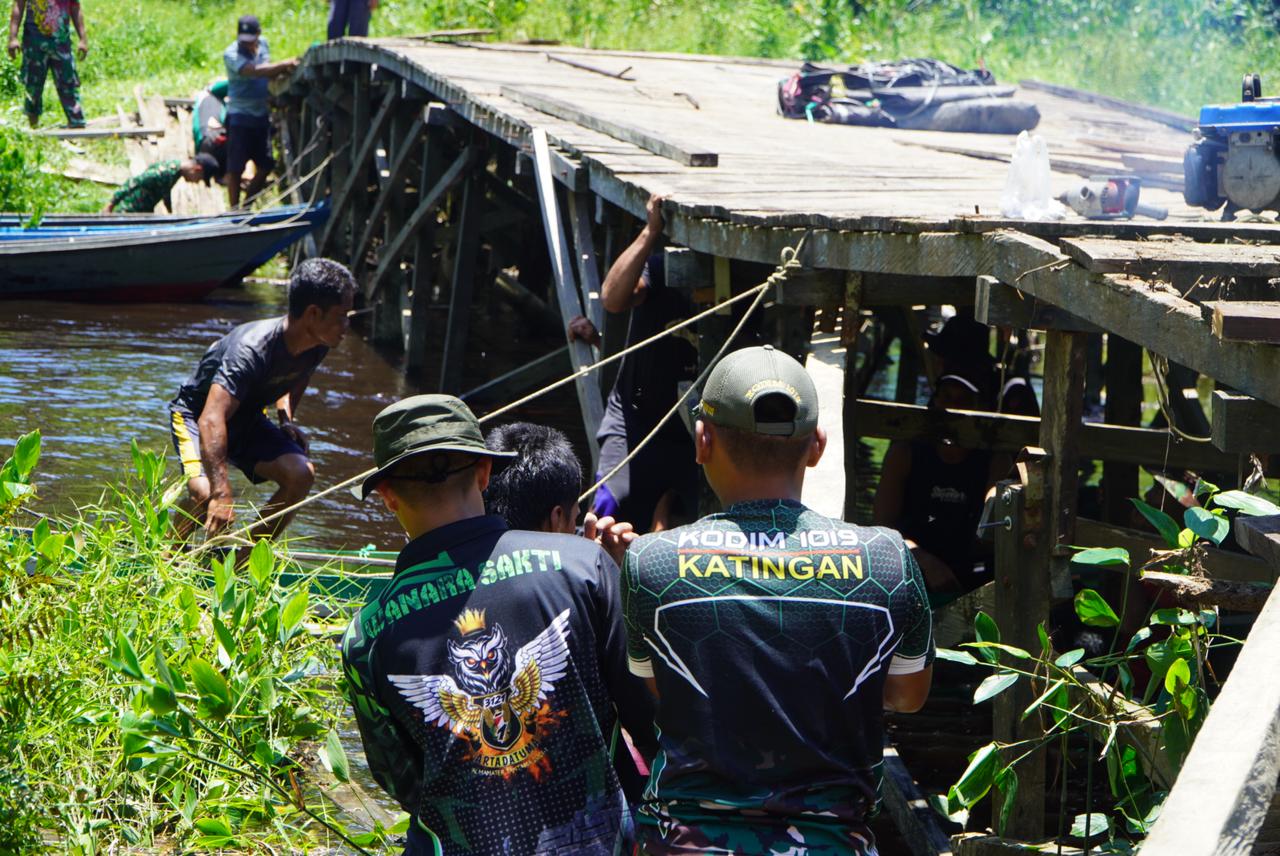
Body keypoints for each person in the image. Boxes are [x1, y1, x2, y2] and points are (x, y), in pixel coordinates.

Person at [622, 345, 934, 855]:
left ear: (702, 440)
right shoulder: (887, 559)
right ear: (817, 446)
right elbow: (907, 696)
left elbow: (664, 687)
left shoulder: (651, 561)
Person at [342, 395, 653, 855]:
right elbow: (648, 719)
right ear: (484, 474)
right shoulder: (583, 566)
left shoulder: (366, 635)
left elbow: (405, 782)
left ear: (387, 496)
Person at [168, 258, 354, 540]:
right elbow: (211, 418)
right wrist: (221, 493)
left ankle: (242, 564)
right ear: (313, 314)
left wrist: (286, 420)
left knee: (301, 474)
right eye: (341, 315)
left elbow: (298, 376)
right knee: (206, 494)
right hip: (197, 416)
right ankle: (165, 557)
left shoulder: (318, 344)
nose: (346, 325)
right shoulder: (251, 350)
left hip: (247, 417)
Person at [568, 194, 698, 533]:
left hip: (698, 432)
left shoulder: (743, 287)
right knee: (606, 509)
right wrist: (650, 232)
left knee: (703, 517)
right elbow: (612, 298)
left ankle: (663, 506)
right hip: (634, 419)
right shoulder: (663, 272)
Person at [873, 370, 1010, 595]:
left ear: (980, 409)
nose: (952, 408)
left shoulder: (995, 460)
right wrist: (924, 561)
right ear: (934, 401)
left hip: (970, 570)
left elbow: (993, 533)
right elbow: (881, 530)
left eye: (963, 400)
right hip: (911, 564)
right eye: (946, 397)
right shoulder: (905, 452)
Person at [222, 14, 297, 209]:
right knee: (236, 166)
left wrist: (281, 71)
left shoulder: (263, 45)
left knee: (266, 164)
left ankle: (247, 205)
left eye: (251, 40)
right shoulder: (231, 53)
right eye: (243, 41)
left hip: (260, 114)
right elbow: (253, 71)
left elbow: (266, 70)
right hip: (239, 116)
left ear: (258, 35)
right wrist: (284, 65)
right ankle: (233, 208)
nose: (247, 45)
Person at [7, 0, 87, 129]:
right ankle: (33, 127)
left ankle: (76, 123)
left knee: (68, 81)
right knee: (33, 85)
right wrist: (13, 37)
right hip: (34, 42)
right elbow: (18, 6)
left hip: (61, 43)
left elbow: (75, 8)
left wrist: (83, 39)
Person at [105, 154, 222, 214]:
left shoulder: (175, 174)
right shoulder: (165, 172)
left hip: (143, 214)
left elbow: (164, 191)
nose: (196, 182)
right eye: (199, 179)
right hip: (129, 212)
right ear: (197, 169)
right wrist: (111, 204)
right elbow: (134, 182)